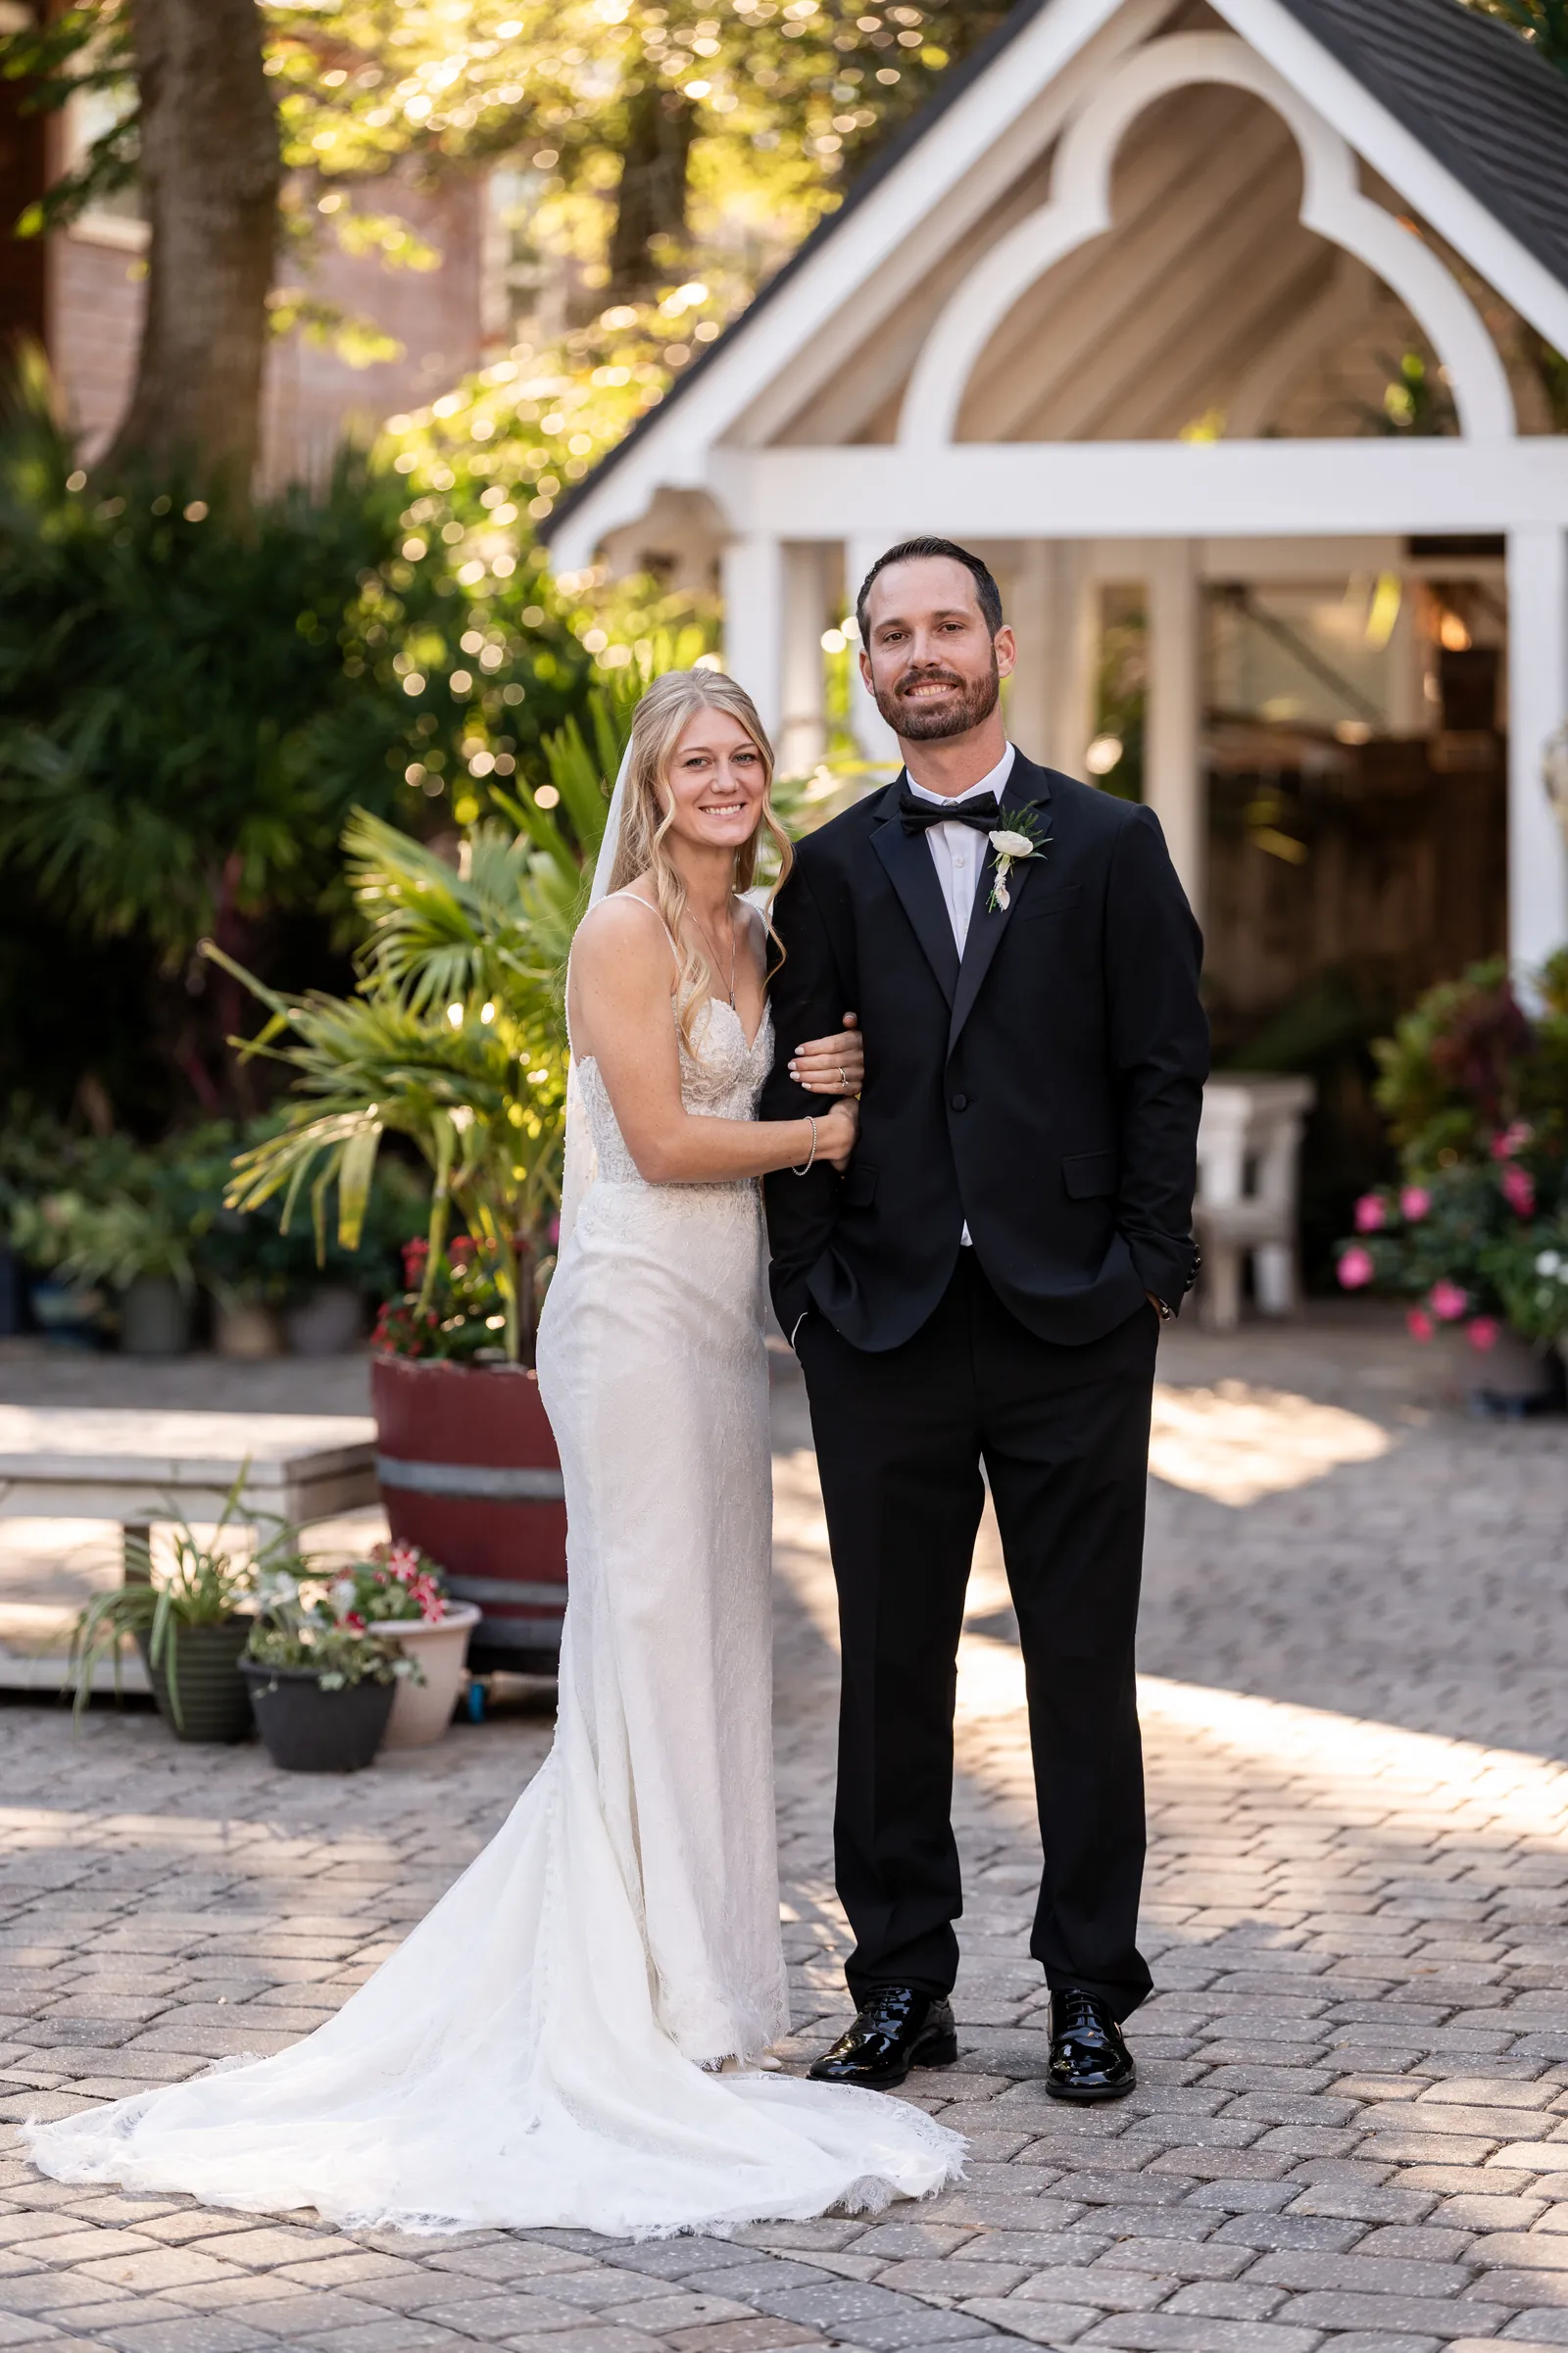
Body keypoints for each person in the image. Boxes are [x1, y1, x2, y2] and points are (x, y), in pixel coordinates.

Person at [24, 668, 960, 2237]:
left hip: (721, 1332)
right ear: (655, 786)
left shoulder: (766, 929)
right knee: (645, 1631)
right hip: (632, 1313)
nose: (725, 780)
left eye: (742, 756)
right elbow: (664, 1143)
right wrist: (823, 1134)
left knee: (713, 1639)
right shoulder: (623, 933)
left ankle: (704, 1987)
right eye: (695, 760)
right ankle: (630, 1996)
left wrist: (827, 1082)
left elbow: (774, 1077)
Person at [761, 538, 1208, 2105]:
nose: (922, 653)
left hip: (1074, 1317)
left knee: (1081, 1667)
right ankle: (900, 1987)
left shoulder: (1106, 841)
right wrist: (805, 1292)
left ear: (1001, 649)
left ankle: (1091, 1992)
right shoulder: (824, 866)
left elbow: (1166, 1062)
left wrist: (1151, 1268)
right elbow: (793, 1074)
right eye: (894, 634)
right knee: (888, 1671)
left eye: (947, 625)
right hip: (879, 1323)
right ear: (868, 665)